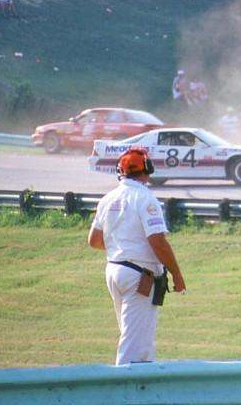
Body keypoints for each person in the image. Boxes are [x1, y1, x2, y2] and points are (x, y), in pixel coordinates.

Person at [88, 147, 186, 365]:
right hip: (139, 275)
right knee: (136, 348)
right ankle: (127, 394)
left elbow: (94, 240)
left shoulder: (107, 198)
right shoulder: (146, 198)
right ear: (148, 169)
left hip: (114, 270)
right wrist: (177, 274)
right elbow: (158, 242)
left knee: (130, 336)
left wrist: (122, 246)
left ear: (119, 171)